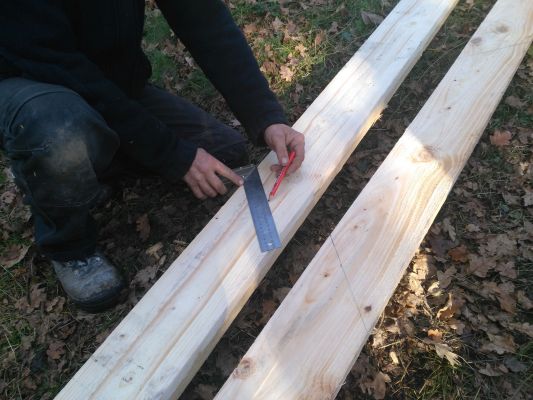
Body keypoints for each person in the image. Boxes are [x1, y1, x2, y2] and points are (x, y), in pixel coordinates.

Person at [0, 0, 305, 312]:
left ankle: (91, 160)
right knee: (60, 132)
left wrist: (266, 117)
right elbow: (58, 67)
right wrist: (172, 153)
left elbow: (205, 22)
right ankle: (69, 247)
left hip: (113, 87)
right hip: (35, 89)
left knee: (224, 151)